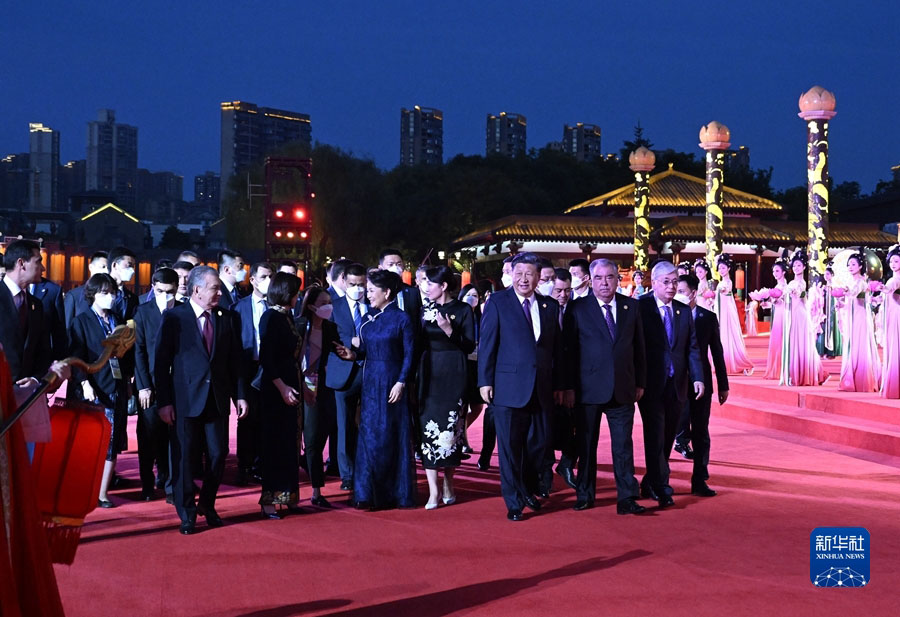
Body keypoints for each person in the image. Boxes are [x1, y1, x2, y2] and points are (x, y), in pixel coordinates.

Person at [154, 266, 248, 534]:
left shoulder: (227, 317)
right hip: (184, 399)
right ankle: (187, 512)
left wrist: (240, 395)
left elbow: (235, 361)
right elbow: (161, 363)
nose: (219, 292)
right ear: (196, 290)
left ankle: (207, 503)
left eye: (219, 287)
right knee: (183, 458)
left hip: (217, 398)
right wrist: (164, 402)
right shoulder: (174, 317)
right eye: (214, 288)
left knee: (219, 454)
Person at [477, 252, 565, 521]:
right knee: (510, 448)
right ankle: (514, 502)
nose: (523, 279)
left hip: (542, 387)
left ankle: (527, 487)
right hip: (507, 386)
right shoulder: (498, 302)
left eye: (529, 274)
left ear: (539, 277)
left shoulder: (550, 306)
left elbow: (556, 350)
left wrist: (561, 384)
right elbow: (488, 344)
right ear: (511, 275)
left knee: (538, 445)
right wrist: (485, 381)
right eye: (519, 273)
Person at [563, 259, 647, 514]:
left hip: (623, 387)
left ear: (617, 279)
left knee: (623, 445)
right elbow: (568, 351)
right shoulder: (577, 308)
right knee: (586, 445)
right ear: (590, 279)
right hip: (587, 389)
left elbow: (639, 348)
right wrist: (568, 387)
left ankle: (627, 498)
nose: (604, 283)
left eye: (609, 277)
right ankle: (585, 494)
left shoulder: (631, 307)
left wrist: (640, 381)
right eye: (598, 278)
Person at [334, 270, 416, 509]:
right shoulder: (369, 317)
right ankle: (366, 493)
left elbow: (409, 354)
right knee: (369, 436)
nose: (366, 295)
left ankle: (394, 493)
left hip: (392, 382)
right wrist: (353, 355)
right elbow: (365, 351)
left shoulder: (402, 319)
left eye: (371, 290)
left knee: (390, 435)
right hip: (370, 383)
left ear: (386, 292)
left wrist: (401, 382)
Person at [637, 260, 703, 508]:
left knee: (667, 436)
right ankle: (660, 485)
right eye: (666, 282)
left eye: (675, 281)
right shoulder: (640, 308)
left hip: (678, 384)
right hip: (650, 384)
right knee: (654, 434)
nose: (672, 286)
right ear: (653, 283)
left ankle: (651, 480)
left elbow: (692, 347)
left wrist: (697, 377)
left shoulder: (683, 310)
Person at [69, 273, 130, 507]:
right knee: (93, 440)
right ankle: (87, 486)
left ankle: (103, 491)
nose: (110, 297)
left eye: (112, 293)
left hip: (117, 384)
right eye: (105, 293)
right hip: (93, 387)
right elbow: (76, 355)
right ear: (93, 294)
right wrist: (84, 382)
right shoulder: (81, 321)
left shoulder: (117, 319)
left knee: (114, 440)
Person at [417, 266, 476, 509]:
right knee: (427, 428)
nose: (425, 288)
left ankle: (448, 483)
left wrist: (449, 329)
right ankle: (433, 492)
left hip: (454, 370)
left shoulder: (463, 310)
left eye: (430, 283)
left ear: (443, 286)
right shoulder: (424, 309)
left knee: (451, 430)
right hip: (429, 371)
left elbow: (470, 345)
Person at [674, 274, 729, 496]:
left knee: (701, 431)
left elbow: (717, 352)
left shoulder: (707, 317)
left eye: (682, 291)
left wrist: (723, 385)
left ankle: (700, 478)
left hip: (701, 385)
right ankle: (658, 479)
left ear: (694, 293)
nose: (677, 295)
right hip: (675, 382)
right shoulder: (672, 314)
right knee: (673, 427)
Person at [257, 272, 306, 518]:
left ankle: (288, 495)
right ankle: (269, 498)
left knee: (290, 442)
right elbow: (267, 357)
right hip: (277, 389)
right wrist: (282, 387)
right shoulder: (271, 317)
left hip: (292, 383)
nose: (299, 296)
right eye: (297, 292)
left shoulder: (287, 316)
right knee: (275, 443)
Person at [133, 268, 179, 501]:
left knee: (174, 438)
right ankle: (147, 485)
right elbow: (138, 352)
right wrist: (143, 386)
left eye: (170, 292)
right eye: (160, 291)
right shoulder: (142, 312)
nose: (165, 296)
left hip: (176, 386)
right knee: (148, 436)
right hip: (149, 385)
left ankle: (171, 484)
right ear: (153, 288)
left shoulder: (182, 312)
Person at [325, 262, 368, 491]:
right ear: (344, 281)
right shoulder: (334, 306)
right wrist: (346, 344)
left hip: (368, 371)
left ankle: (367, 468)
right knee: (343, 426)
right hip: (342, 371)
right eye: (353, 284)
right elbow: (327, 338)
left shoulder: (373, 306)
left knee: (368, 424)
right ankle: (347, 474)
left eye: (361, 285)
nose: (357, 289)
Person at [296, 286, 338, 507]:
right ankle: (308, 491)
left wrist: (349, 353)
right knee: (307, 438)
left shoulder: (330, 328)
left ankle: (313, 480)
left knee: (319, 433)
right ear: (312, 306)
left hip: (321, 383)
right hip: (299, 382)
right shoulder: (299, 325)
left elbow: (339, 350)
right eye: (323, 303)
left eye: (329, 302)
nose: (328, 307)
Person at [233, 261, 273, 485]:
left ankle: (262, 464)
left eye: (271, 277)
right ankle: (244, 465)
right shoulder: (239, 308)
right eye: (264, 277)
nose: (268, 281)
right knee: (247, 418)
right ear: (253, 280)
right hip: (248, 368)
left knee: (268, 419)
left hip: (271, 368)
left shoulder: (277, 306)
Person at [0, 240, 52, 383]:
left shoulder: (37, 305)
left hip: (28, 396)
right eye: (38, 262)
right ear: (21, 263)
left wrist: (35, 378)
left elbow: (43, 350)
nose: (43, 268)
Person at [548, 267, 577, 489]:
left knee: (575, 426)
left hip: (572, 379)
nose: (563, 295)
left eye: (567, 290)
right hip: (545, 380)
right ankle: (544, 474)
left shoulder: (576, 310)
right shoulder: (542, 309)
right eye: (559, 290)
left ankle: (567, 463)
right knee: (545, 429)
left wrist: (567, 386)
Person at [781, 251, 827, 387]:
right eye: (794, 265)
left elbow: (802, 294)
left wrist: (796, 293)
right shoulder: (790, 283)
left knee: (802, 343)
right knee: (794, 342)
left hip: (800, 315)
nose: (796, 268)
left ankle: (805, 374)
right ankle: (794, 373)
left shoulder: (802, 283)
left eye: (799, 265)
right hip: (791, 314)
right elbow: (784, 296)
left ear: (804, 267)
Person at [838, 251, 881, 392]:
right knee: (851, 344)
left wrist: (845, 291)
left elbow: (855, 293)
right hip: (851, 316)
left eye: (853, 264)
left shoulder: (862, 282)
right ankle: (851, 377)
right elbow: (850, 300)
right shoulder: (850, 282)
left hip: (861, 317)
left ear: (860, 266)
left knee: (860, 344)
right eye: (849, 264)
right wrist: (841, 304)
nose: (850, 267)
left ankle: (863, 379)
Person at [713, 254, 754, 375]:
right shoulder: (722, 282)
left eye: (724, 268)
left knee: (728, 333)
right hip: (721, 309)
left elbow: (726, 290)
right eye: (720, 268)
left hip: (726, 310)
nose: (721, 270)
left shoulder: (728, 282)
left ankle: (731, 361)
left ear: (729, 268)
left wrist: (719, 292)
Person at [64, 251, 108, 328]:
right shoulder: (74, 296)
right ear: (91, 267)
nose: (106, 271)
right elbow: (67, 326)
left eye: (108, 268)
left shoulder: (110, 296)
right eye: (103, 267)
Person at [30, 276, 67, 361]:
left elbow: (59, 333)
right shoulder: (6, 290)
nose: (43, 268)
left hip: (41, 361)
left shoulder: (53, 290)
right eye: (37, 262)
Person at [763, 260, 789, 380]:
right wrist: (767, 303)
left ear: (784, 272)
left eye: (777, 271)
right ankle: (777, 367)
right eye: (773, 271)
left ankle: (781, 368)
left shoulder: (786, 286)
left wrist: (776, 301)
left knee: (781, 339)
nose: (775, 273)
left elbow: (785, 302)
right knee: (777, 339)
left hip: (783, 314)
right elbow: (776, 303)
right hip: (778, 313)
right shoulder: (777, 286)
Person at [881, 245, 900, 399]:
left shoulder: (894, 280)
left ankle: (894, 385)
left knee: (895, 346)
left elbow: (889, 288)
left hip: (896, 315)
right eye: (891, 261)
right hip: (893, 312)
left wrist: (882, 288)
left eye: (896, 261)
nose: (893, 264)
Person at [816, 265, 842, 359]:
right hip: (824, 310)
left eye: (828, 274)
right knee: (822, 326)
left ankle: (832, 351)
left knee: (832, 327)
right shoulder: (823, 287)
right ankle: (821, 350)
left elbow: (839, 298)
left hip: (832, 310)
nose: (826, 276)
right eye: (824, 274)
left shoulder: (835, 286)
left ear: (832, 275)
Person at [107, 247, 139, 323]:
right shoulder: (97, 292)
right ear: (114, 265)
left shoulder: (133, 298)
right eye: (129, 265)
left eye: (133, 266)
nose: (132, 270)